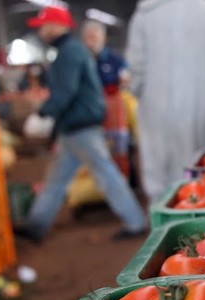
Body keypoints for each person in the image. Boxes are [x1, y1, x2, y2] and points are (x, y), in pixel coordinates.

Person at [14, 6, 147, 243]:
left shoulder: (69, 52)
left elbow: (65, 91)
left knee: (105, 173)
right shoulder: (69, 50)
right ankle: (36, 224)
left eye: (44, 26)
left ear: (56, 26)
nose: (41, 32)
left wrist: (44, 113)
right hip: (73, 126)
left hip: (81, 126)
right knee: (58, 178)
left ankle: (135, 221)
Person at [125, 0, 205, 204]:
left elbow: (136, 70)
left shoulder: (145, 15)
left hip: (159, 111)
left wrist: (134, 87)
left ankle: (166, 219)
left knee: (163, 184)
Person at [81, 20, 132, 179]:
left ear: (103, 38)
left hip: (113, 113)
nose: (92, 42)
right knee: (93, 151)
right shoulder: (81, 59)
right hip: (89, 113)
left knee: (117, 150)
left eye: (95, 37)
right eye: (88, 38)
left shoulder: (115, 59)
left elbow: (126, 79)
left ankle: (122, 181)